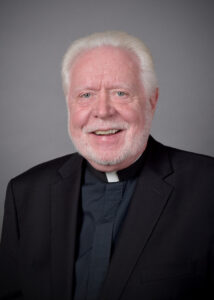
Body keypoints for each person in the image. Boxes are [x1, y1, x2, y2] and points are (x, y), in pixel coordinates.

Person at [0, 31, 213, 300]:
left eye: (121, 93)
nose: (103, 110)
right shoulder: (26, 194)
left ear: (152, 101)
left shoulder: (208, 189)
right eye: (86, 95)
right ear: (69, 104)